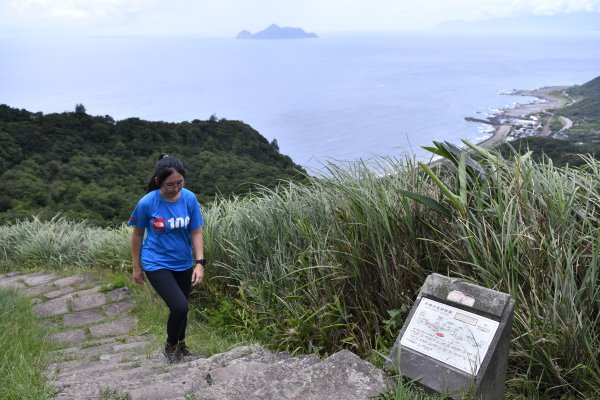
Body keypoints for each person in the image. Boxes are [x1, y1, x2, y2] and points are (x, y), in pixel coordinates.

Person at [128, 154, 206, 363]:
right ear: (158, 182)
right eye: (170, 184)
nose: (176, 188)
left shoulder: (189, 198)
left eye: (180, 182)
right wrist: (137, 267)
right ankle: (170, 347)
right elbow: (137, 235)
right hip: (156, 262)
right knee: (180, 307)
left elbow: (196, 231)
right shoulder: (147, 203)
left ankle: (181, 345)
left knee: (181, 308)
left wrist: (200, 263)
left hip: (183, 262)